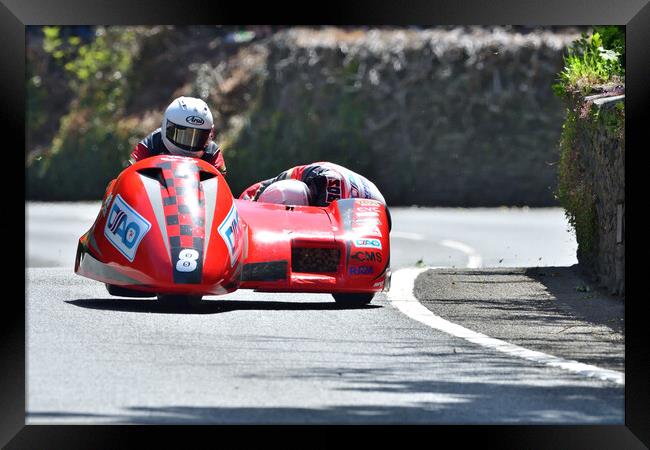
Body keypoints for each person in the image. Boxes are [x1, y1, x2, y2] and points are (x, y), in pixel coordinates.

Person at [129, 96, 226, 174]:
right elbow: (129, 175)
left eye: (199, 137)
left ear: (210, 134)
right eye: (183, 135)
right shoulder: (152, 143)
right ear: (166, 127)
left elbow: (220, 185)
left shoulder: (212, 151)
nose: (190, 143)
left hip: (197, 197)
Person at [240, 162, 386, 207]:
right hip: (374, 197)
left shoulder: (325, 205)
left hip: (375, 212)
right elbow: (262, 189)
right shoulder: (307, 174)